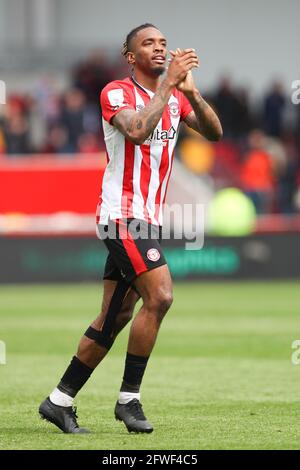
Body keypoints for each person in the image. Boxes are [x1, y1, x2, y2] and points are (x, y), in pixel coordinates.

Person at [39, 23, 222, 434]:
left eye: (162, 43)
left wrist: (190, 91)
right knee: (160, 296)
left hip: (147, 218)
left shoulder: (176, 96)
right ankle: (129, 401)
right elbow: (138, 132)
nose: (159, 49)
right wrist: (168, 87)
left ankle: (59, 400)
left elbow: (214, 132)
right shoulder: (115, 93)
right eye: (148, 44)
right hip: (122, 215)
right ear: (130, 56)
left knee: (115, 315)